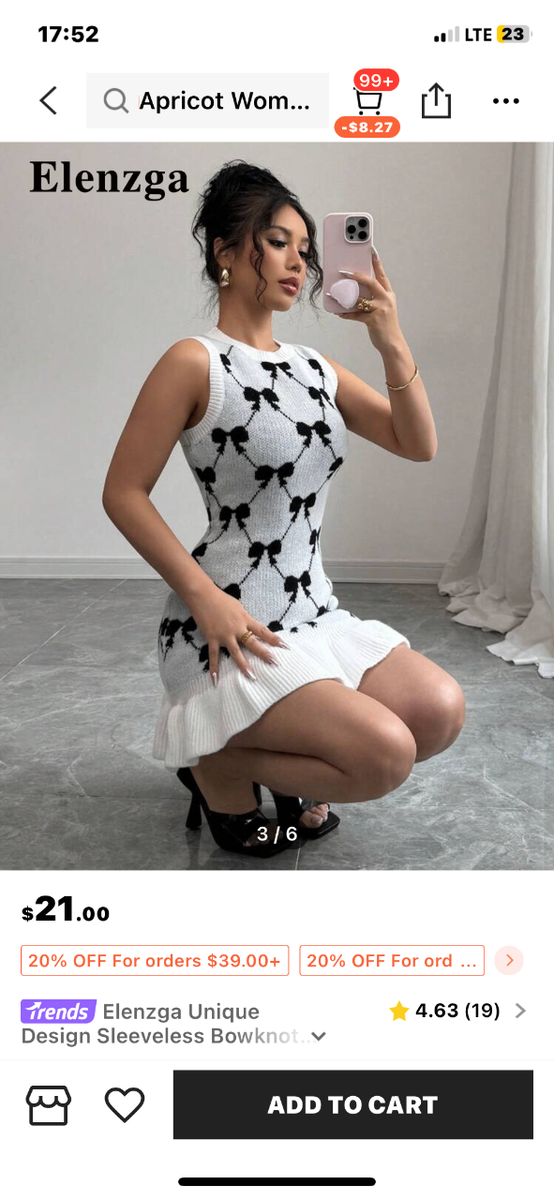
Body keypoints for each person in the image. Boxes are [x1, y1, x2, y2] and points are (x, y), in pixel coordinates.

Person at [102, 160, 465, 860]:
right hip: (227, 628)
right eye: (277, 242)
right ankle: (216, 764)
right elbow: (122, 492)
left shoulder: (314, 369)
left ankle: (255, 756)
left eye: (305, 248)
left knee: (439, 712)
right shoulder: (194, 362)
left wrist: (389, 337)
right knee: (384, 756)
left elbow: (417, 444)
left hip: (313, 614)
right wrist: (205, 600)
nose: (299, 262)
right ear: (226, 251)